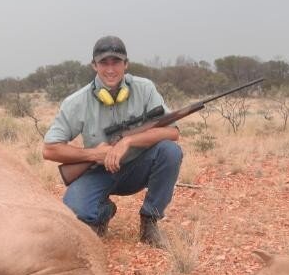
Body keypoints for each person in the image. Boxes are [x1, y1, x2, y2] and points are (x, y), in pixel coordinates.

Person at [42, 36, 183, 246]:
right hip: (99, 171)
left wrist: (128, 142)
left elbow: (173, 133)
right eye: (104, 63)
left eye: (116, 62)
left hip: (137, 167)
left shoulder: (144, 88)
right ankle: (104, 211)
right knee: (76, 213)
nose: (110, 69)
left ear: (126, 64)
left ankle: (150, 222)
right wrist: (92, 154)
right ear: (94, 65)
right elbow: (49, 150)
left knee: (170, 151)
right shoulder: (76, 101)